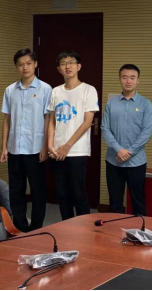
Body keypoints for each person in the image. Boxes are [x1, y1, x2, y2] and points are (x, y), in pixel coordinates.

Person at [1, 48, 52, 232]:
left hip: (36, 149)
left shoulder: (45, 89)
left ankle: (37, 227)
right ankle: (19, 225)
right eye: (21, 64)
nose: (25, 67)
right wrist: (4, 147)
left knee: (38, 190)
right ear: (16, 67)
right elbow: (7, 119)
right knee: (16, 190)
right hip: (14, 148)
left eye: (28, 63)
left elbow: (48, 119)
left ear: (35, 64)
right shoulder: (10, 90)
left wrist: (45, 146)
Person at [47, 51, 99, 221]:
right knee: (62, 194)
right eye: (63, 63)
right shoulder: (55, 91)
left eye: (71, 62)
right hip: (56, 151)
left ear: (79, 66)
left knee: (78, 193)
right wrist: (50, 145)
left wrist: (67, 146)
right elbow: (52, 121)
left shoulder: (89, 90)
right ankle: (66, 228)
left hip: (77, 151)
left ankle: (85, 229)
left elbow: (87, 122)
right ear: (58, 69)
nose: (67, 66)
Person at [102, 64, 152, 216]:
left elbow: (146, 131)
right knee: (115, 202)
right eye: (125, 77)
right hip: (113, 160)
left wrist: (129, 151)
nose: (128, 81)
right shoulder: (111, 103)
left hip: (136, 162)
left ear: (138, 80)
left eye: (132, 78)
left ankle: (139, 229)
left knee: (138, 202)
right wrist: (119, 150)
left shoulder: (145, 104)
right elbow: (105, 128)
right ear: (120, 79)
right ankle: (115, 229)